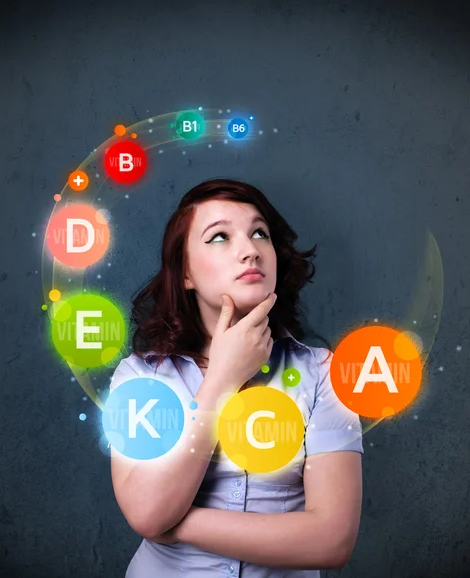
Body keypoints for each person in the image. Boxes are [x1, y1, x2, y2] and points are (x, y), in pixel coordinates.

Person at [109, 177, 364, 577]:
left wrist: (171, 524)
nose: (250, 251)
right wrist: (223, 380)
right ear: (185, 274)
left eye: (259, 233)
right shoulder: (141, 376)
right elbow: (145, 511)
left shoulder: (324, 373)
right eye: (219, 237)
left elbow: (332, 540)